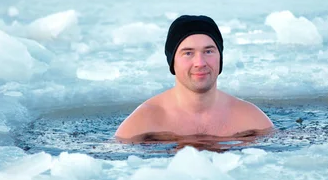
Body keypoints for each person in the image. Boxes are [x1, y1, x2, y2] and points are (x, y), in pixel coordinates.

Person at [115, 15, 274, 142]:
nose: (200, 63)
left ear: (220, 57)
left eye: (209, 51)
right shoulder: (143, 122)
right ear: (172, 62)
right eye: (188, 53)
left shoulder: (249, 117)